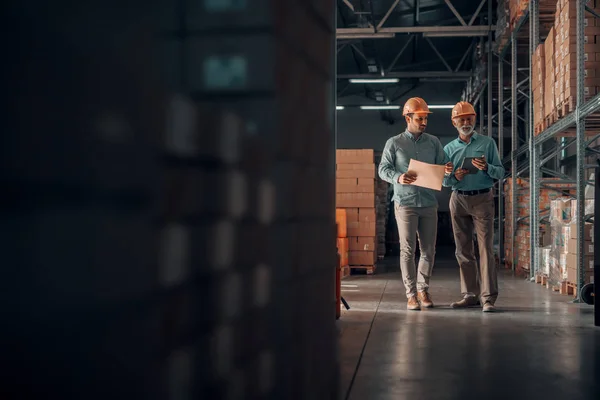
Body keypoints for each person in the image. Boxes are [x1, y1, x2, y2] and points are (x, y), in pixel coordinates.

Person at [378, 97, 453, 310]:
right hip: (405, 203)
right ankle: (411, 294)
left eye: (425, 118)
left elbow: (442, 171)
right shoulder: (394, 143)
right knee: (408, 250)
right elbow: (383, 169)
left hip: (429, 202)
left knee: (429, 250)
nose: (424, 122)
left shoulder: (434, 142)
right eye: (419, 118)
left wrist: (446, 170)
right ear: (408, 117)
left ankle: (423, 289)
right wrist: (399, 177)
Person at [442, 101, 505, 312]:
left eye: (469, 118)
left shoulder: (487, 144)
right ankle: (470, 294)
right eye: (461, 119)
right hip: (458, 199)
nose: (466, 122)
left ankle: (487, 298)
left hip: (482, 200)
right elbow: (444, 181)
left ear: (474, 119)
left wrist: (487, 167)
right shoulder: (448, 149)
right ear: (454, 122)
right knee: (462, 249)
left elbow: (500, 172)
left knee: (485, 248)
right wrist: (454, 176)